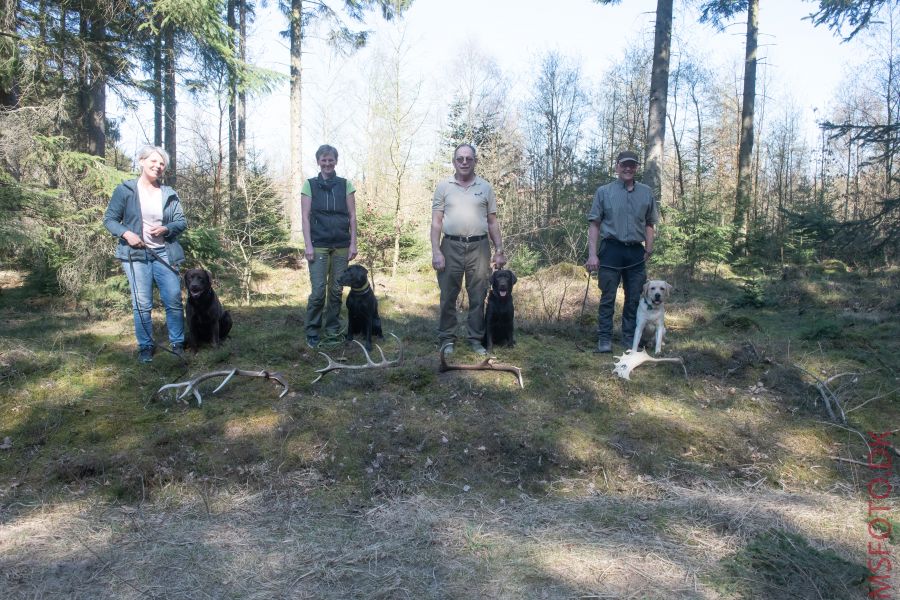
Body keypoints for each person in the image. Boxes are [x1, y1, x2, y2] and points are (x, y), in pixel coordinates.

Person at [103, 145, 187, 363]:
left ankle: (178, 343)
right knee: (142, 303)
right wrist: (126, 233)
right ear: (141, 162)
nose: (158, 167)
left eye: (162, 164)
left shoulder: (169, 193)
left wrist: (166, 229)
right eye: (153, 162)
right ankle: (146, 347)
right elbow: (110, 220)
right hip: (135, 255)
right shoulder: (125, 190)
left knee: (174, 300)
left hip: (165, 253)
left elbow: (181, 221)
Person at [431, 143, 506, 355]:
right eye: (460, 158)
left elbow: (492, 222)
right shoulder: (443, 186)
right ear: (454, 161)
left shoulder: (485, 187)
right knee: (447, 295)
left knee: (478, 295)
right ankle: (447, 339)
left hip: (479, 247)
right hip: (450, 246)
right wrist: (436, 251)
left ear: (475, 161)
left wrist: (499, 250)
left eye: (468, 158)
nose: (464, 162)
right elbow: (436, 221)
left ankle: (475, 339)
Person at [585, 150, 659, 353]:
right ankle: (604, 339)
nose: (628, 168)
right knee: (608, 296)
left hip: (636, 252)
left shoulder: (646, 192)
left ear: (636, 168)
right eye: (624, 164)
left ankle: (629, 338)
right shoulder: (604, 191)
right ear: (617, 166)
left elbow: (650, 223)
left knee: (635, 297)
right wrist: (592, 255)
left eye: (632, 165)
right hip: (611, 250)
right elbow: (594, 224)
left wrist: (649, 249)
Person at [301, 144, 358, 348]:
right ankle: (313, 331)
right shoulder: (309, 185)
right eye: (324, 160)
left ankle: (333, 329)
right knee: (318, 292)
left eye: (331, 160)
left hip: (341, 245)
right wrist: (308, 245)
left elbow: (352, 216)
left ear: (336, 161)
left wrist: (353, 243)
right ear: (318, 161)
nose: (327, 163)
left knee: (336, 290)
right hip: (318, 245)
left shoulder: (346, 185)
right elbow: (305, 217)